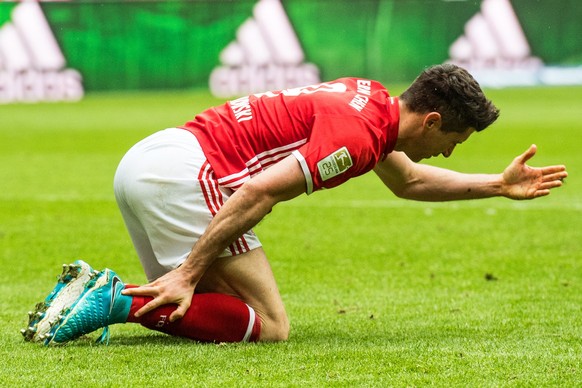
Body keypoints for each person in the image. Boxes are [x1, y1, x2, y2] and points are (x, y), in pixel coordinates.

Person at [22, 64, 567, 346]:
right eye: (455, 139)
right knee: (269, 325)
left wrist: (496, 184)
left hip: (149, 158)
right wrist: (189, 271)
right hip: (187, 175)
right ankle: (111, 299)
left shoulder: (371, 100)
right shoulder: (356, 139)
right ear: (430, 121)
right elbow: (258, 192)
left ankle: (110, 296)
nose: (450, 150)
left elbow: (411, 183)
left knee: (202, 312)